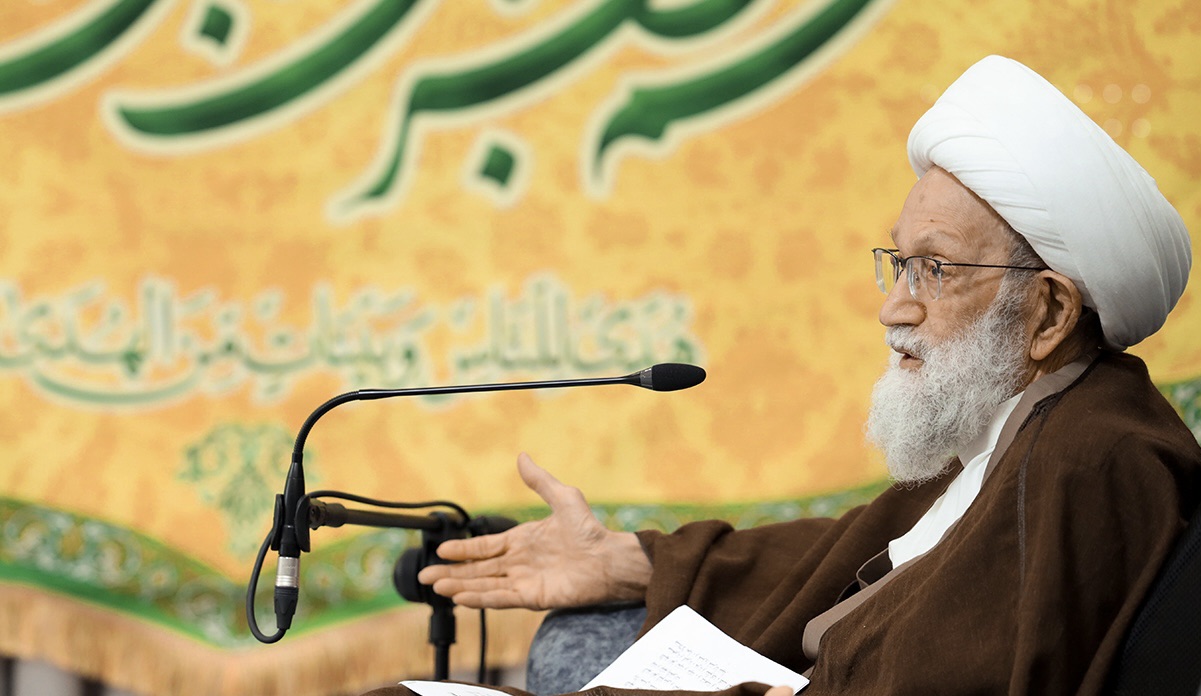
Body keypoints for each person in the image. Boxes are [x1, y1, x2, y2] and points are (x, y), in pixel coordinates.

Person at [366, 56, 1201, 695]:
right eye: (898, 264)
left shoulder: (1092, 459)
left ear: (1048, 312)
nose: (893, 308)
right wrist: (634, 561)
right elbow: (847, 557)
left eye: (935, 270)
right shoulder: (1022, 429)